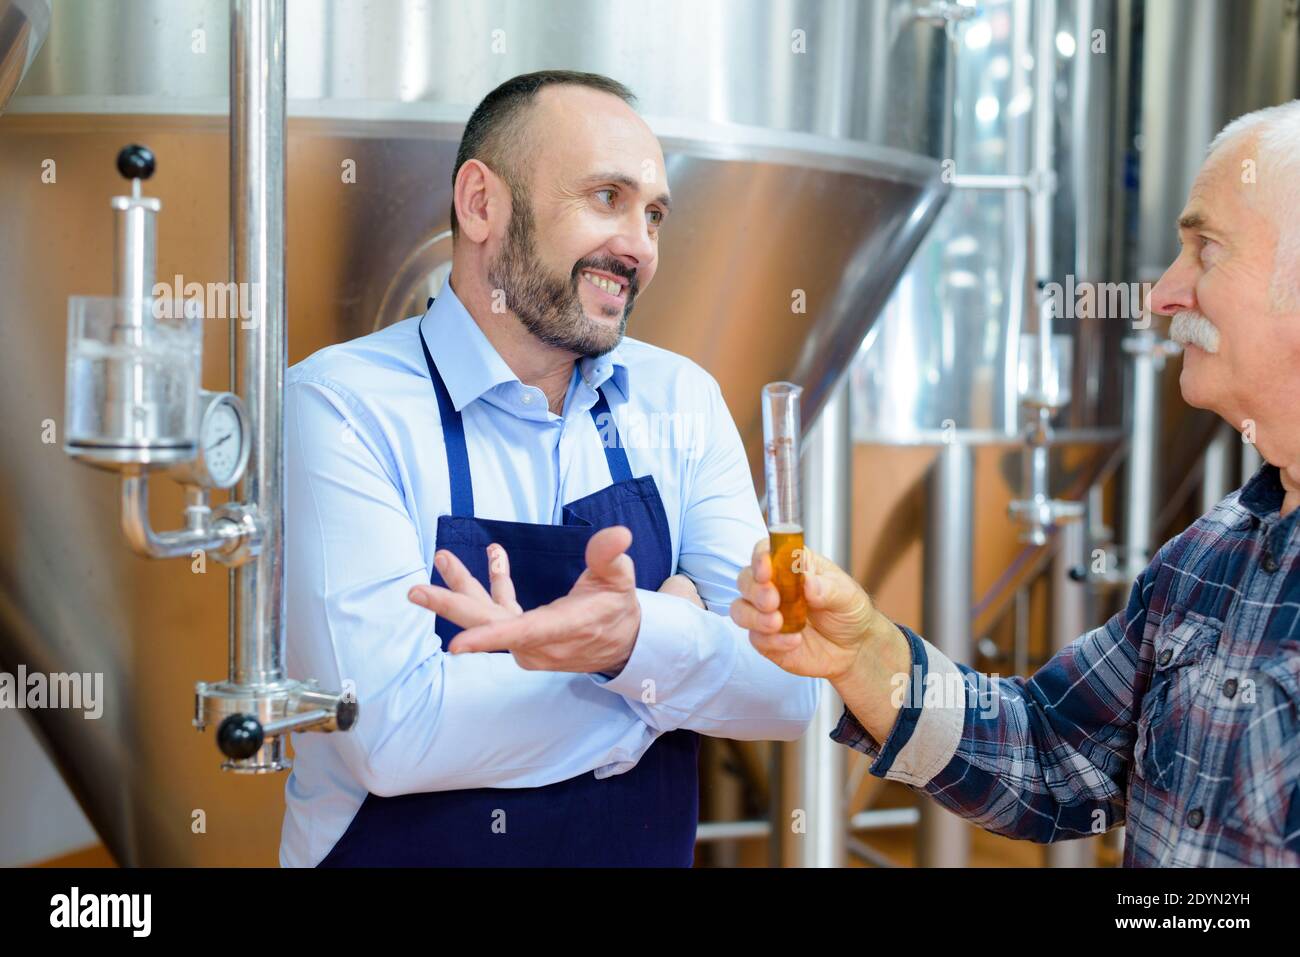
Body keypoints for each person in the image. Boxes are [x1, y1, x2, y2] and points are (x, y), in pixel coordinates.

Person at [732, 101, 1300, 867]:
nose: (1163, 292)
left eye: (1206, 250)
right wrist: (865, 655)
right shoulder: (1209, 558)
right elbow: (1052, 749)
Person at [280, 70, 819, 867]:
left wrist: (624, 640)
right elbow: (391, 733)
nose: (640, 244)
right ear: (480, 203)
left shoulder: (684, 401)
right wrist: (658, 666)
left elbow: (790, 691)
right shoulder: (341, 403)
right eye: (607, 196)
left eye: (655, 214)